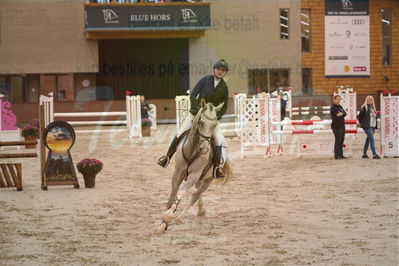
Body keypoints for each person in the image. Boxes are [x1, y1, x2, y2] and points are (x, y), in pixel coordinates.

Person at [157, 59, 229, 178]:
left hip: (211, 120)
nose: (220, 72)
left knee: (218, 139)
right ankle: (167, 157)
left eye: (223, 70)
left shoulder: (224, 87)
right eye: (218, 69)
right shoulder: (205, 80)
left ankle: (217, 168)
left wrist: (215, 117)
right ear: (214, 69)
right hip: (195, 114)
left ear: (225, 72)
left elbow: (224, 106)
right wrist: (197, 109)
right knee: (180, 133)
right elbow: (193, 95)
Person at [330, 95, 347, 159]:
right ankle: (336, 155)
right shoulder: (333, 107)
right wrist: (342, 114)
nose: (338, 100)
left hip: (342, 125)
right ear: (334, 100)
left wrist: (342, 114)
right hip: (336, 126)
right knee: (338, 140)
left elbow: (345, 113)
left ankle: (341, 154)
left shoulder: (340, 106)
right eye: (337, 99)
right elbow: (337, 115)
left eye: (339, 99)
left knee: (341, 141)